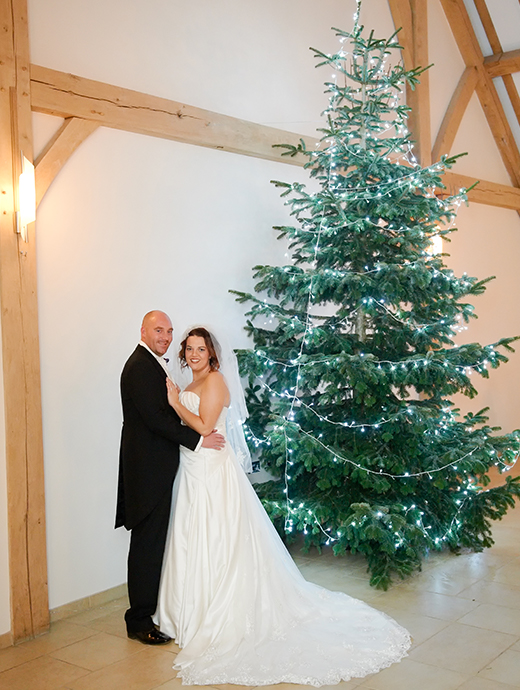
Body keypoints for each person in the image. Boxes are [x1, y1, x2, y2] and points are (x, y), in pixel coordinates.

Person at [154, 326, 412, 685]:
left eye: (201, 349)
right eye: (191, 349)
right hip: (192, 470)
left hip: (213, 472)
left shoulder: (213, 382)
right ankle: (186, 613)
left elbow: (204, 426)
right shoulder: (191, 384)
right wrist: (180, 400)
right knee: (189, 535)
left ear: (212, 354)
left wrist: (174, 403)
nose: (195, 354)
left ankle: (217, 614)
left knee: (216, 537)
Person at [115, 312, 225, 645]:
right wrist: (198, 439)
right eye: (158, 330)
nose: (165, 336)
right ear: (143, 331)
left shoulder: (152, 364)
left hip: (163, 471)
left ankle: (151, 611)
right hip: (148, 473)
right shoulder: (139, 367)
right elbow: (155, 420)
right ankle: (139, 620)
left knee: (158, 544)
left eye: (168, 331)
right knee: (147, 546)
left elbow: (169, 415)